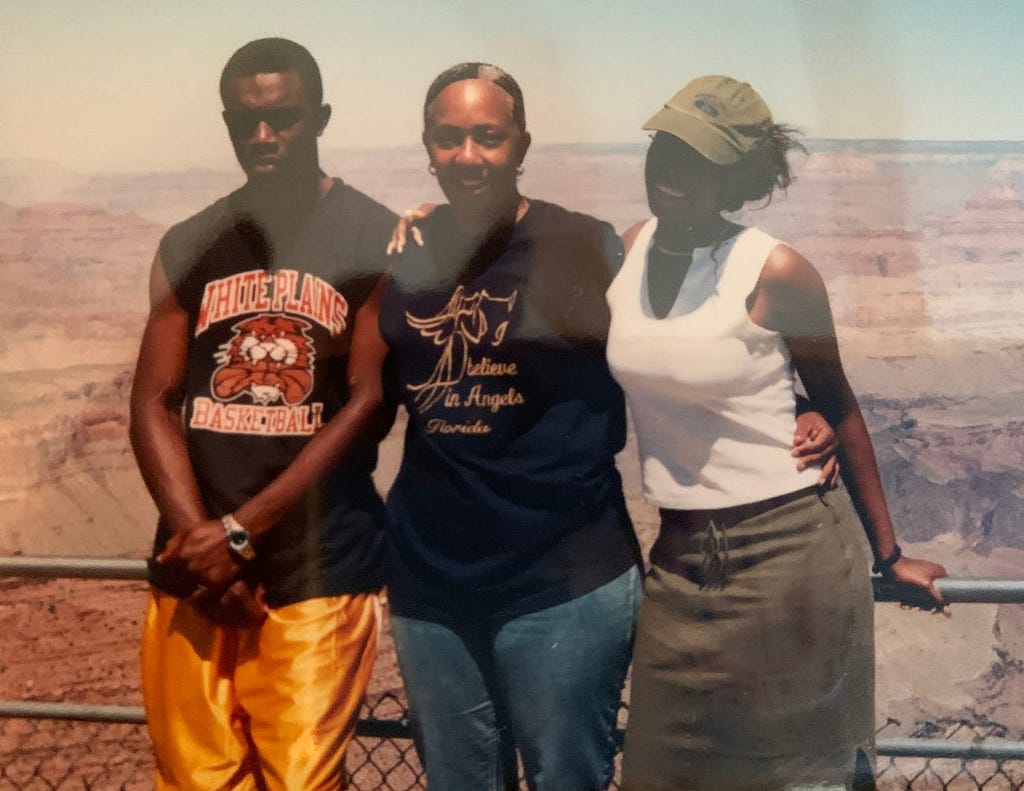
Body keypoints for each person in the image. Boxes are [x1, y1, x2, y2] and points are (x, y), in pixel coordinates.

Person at [377, 63, 837, 791]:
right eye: (450, 138)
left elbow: (692, 342)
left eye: (489, 137)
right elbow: (367, 398)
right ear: (427, 146)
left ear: (521, 143)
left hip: (564, 581)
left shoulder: (589, 247)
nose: (469, 155)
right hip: (431, 584)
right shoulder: (404, 253)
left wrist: (805, 406)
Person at [606, 75, 948, 791]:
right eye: (664, 147)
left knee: (794, 778)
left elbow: (840, 402)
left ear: (734, 175)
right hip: (677, 561)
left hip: (791, 555)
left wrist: (891, 554)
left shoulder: (777, 271)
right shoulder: (627, 249)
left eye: (698, 159)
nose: (670, 170)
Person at [128, 38, 397, 790]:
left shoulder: (373, 238)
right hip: (195, 569)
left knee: (300, 778)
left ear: (320, 118)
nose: (264, 137)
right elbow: (151, 399)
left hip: (318, 564)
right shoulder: (190, 243)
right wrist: (201, 544)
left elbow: (367, 403)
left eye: (283, 118)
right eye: (246, 123)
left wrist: (241, 534)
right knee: (195, 780)